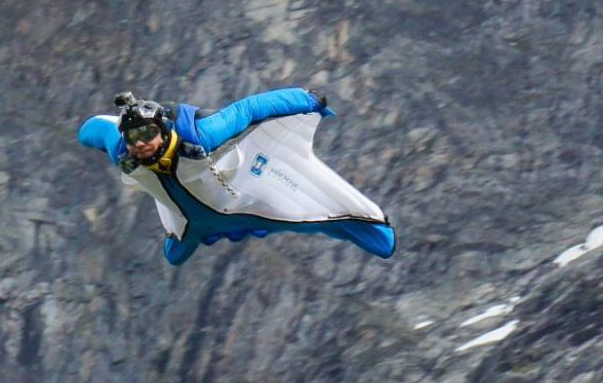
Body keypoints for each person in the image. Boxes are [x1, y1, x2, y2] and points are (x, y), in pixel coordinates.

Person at [77, 88, 395, 265]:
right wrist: (100, 138)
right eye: (133, 137)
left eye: (147, 133)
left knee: (322, 215)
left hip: (245, 202)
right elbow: (90, 128)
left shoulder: (200, 135)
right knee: (174, 256)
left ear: (162, 129)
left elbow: (249, 109)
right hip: (190, 221)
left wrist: (307, 98)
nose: (141, 143)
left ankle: (370, 224)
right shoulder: (121, 149)